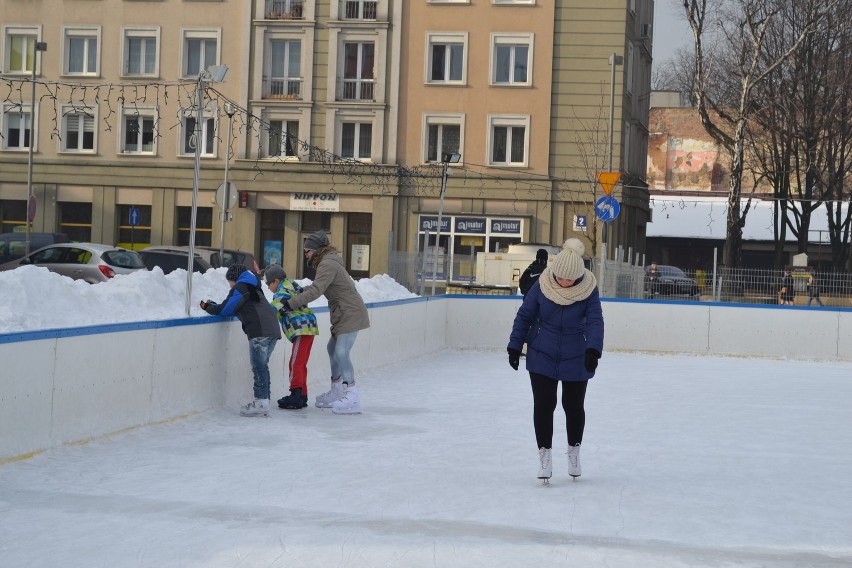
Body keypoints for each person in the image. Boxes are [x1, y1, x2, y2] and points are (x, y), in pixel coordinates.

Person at [507, 238, 604, 482]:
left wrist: (593, 350)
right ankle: (545, 456)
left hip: (576, 354)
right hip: (542, 352)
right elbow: (525, 315)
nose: (563, 282)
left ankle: (574, 451)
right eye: (560, 277)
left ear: (578, 276)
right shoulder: (542, 284)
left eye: (569, 279)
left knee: (573, 407)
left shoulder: (589, 289)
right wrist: (514, 345)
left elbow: (595, 321)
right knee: (543, 405)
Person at [282, 230, 370, 414]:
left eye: (307, 250)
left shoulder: (327, 264)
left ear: (315, 250)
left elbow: (316, 290)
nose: (305, 254)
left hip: (349, 312)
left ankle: (352, 395)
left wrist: (290, 304)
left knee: (341, 351)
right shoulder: (328, 262)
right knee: (332, 350)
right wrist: (299, 291)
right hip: (342, 312)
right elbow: (316, 287)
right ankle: (337, 390)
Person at [200, 264, 281, 417]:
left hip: (260, 331)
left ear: (234, 278)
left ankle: (261, 402)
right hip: (272, 329)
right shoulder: (252, 286)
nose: (229, 284)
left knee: (259, 367)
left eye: (229, 281)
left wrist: (208, 307)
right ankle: (263, 401)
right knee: (262, 366)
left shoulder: (241, 287)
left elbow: (225, 309)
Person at [264, 264, 319, 410]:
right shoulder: (291, 286)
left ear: (276, 281)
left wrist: (259, 316)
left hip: (302, 329)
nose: (268, 288)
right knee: (300, 363)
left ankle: (295, 395)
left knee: (295, 363)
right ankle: (302, 395)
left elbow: (273, 309)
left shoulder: (282, 291)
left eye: (268, 284)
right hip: (308, 327)